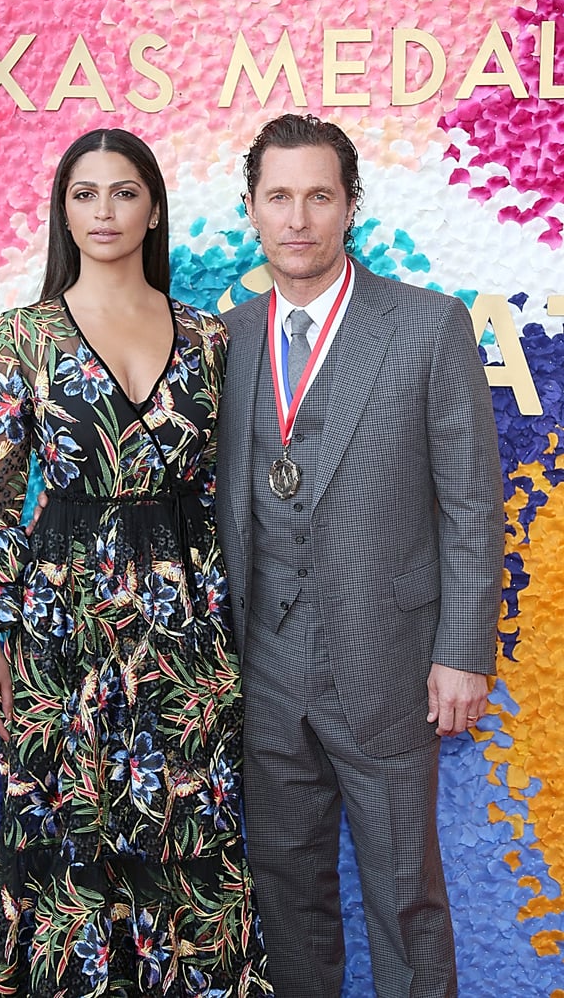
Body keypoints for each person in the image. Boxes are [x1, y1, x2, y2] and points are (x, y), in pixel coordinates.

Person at [0, 129, 272, 997]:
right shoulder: (22, 336)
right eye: (85, 194)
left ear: (153, 208)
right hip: (58, 623)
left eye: (123, 192)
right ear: (62, 211)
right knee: (61, 828)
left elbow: (236, 492)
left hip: (184, 625)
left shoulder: (208, 337)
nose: (104, 212)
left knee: (189, 824)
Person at [214, 113, 504, 998]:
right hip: (262, 668)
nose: (297, 218)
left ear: (349, 210)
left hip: (389, 665)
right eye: (278, 198)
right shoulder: (221, 340)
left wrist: (463, 650)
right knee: (286, 896)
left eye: (318, 196)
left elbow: (470, 501)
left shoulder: (427, 325)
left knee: (406, 899)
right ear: (253, 213)